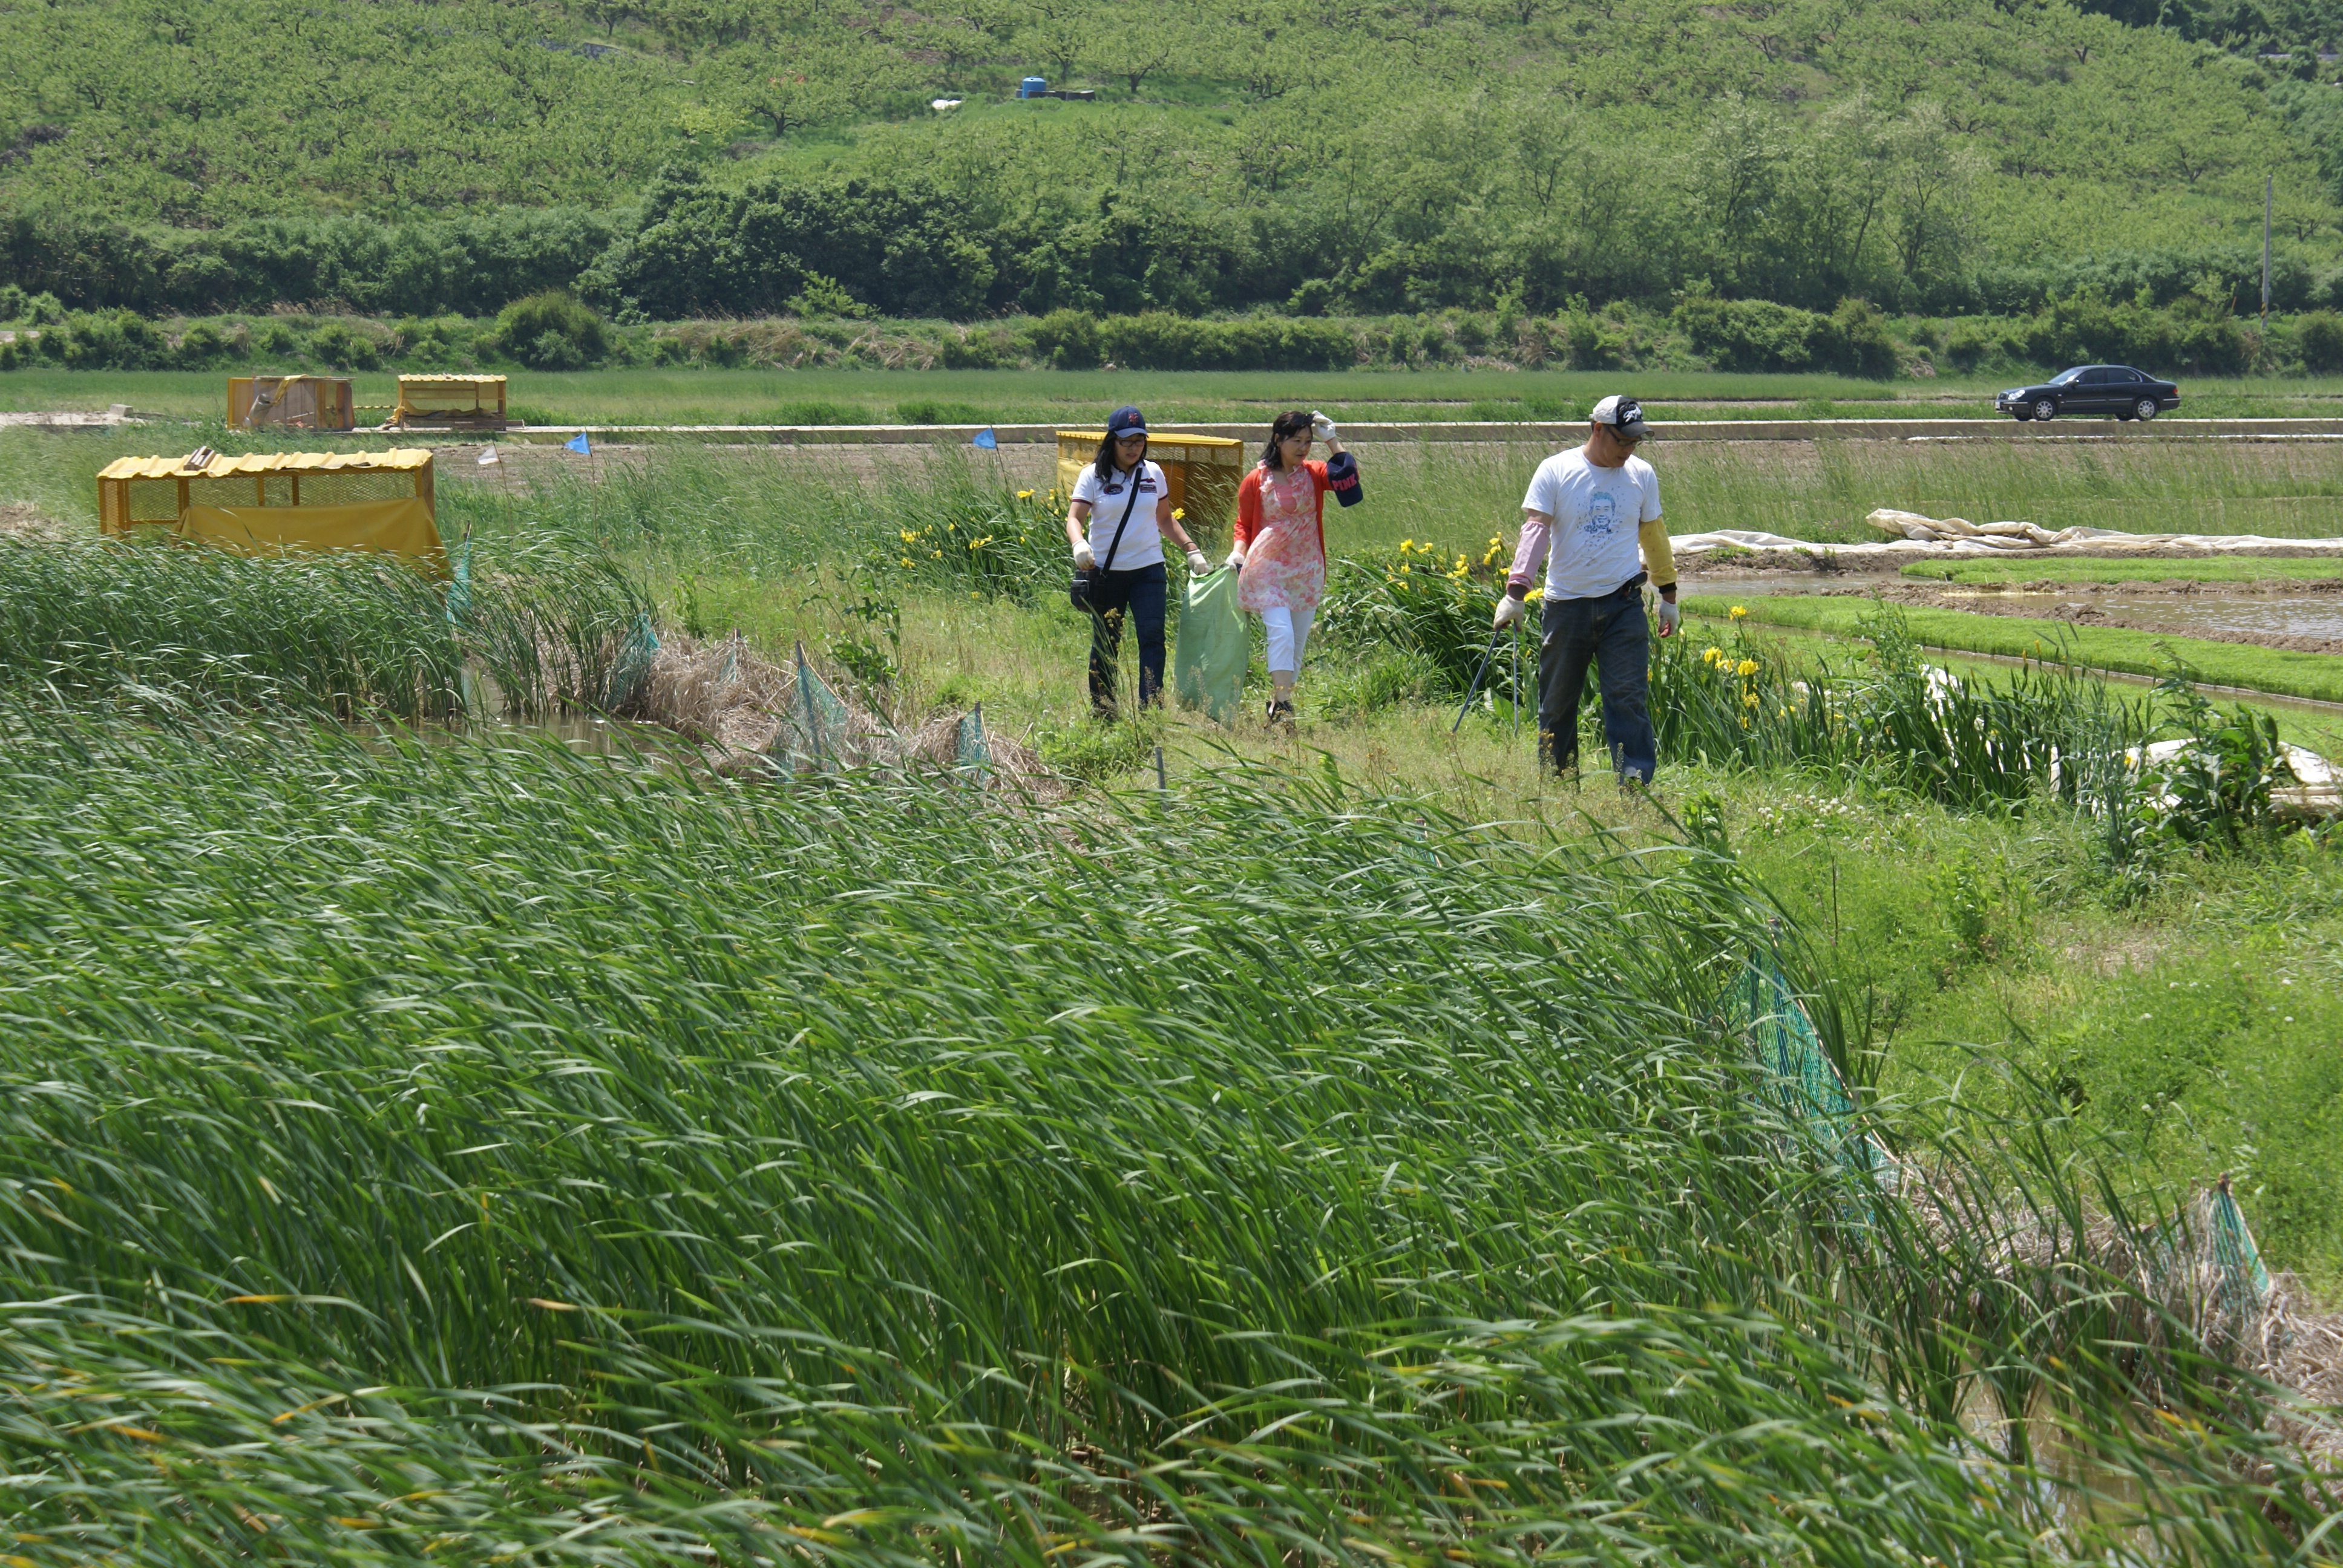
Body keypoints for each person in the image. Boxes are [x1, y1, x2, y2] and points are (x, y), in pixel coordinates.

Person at [1493, 394, 1680, 782]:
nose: (1629, 450)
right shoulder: (1556, 471)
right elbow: (1536, 531)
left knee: (1627, 701)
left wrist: (1669, 596)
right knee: (1557, 704)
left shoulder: (1641, 475)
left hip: (1623, 603)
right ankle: (1558, 782)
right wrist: (1516, 594)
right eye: (1622, 441)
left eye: (1635, 442)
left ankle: (1635, 788)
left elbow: (1654, 537)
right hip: (1567, 607)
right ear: (1598, 429)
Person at [1067, 405, 1211, 715]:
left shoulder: (1154, 473)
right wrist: (1079, 544)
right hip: (1106, 572)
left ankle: (1151, 709)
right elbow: (1074, 519)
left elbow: (1165, 519)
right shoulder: (1092, 476)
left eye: (1139, 441)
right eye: (1126, 441)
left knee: (1152, 637)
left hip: (1149, 570)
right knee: (1107, 641)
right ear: (1112, 442)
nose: (1134, 448)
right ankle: (1104, 708)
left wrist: (1191, 548)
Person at [1226, 409, 1360, 725]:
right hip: (1268, 566)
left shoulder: (1313, 473)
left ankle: (1277, 703)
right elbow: (1243, 523)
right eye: (1296, 440)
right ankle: (1285, 702)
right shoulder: (1257, 479)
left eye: (1308, 441)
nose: (1303, 447)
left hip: (1306, 568)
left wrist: (1333, 441)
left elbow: (1350, 488)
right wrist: (1237, 552)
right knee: (1282, 633)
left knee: (1297, 646)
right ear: (1278, 440)